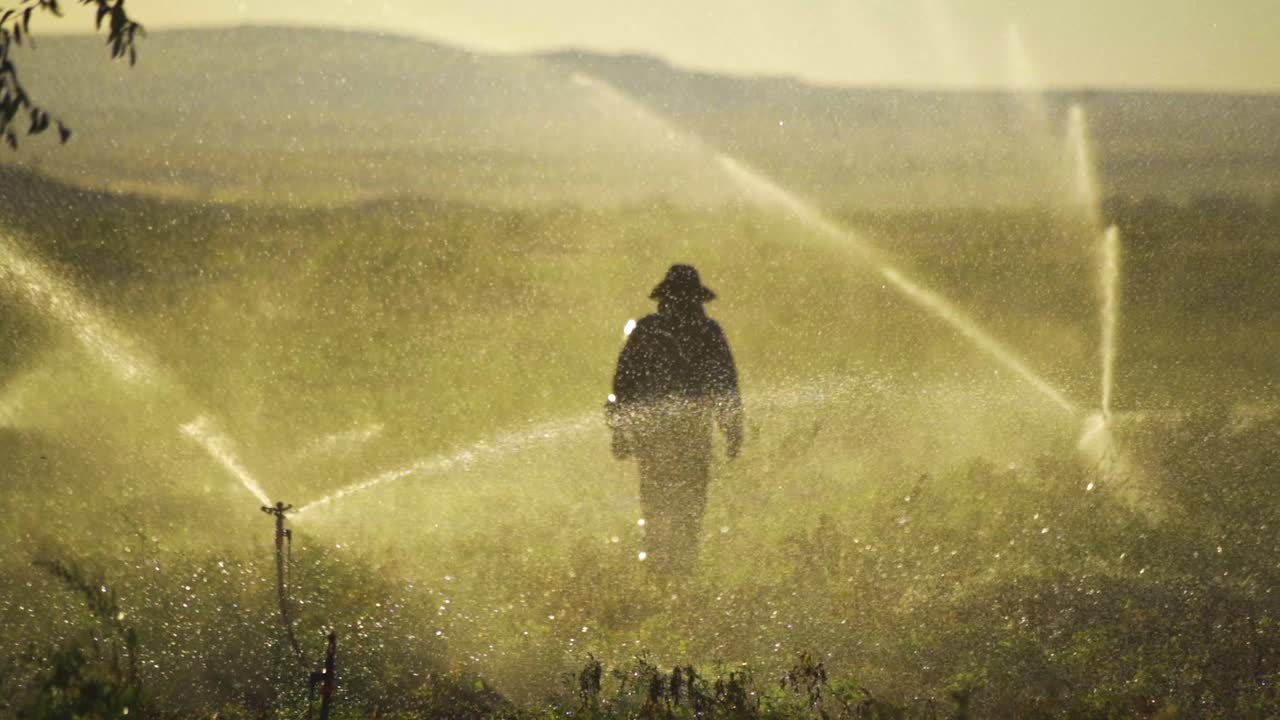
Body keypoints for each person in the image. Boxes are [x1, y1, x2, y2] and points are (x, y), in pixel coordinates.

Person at [607, 264, 743, 575]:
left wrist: (619, 431)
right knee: (682, 509)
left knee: (663, 507)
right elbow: (725, 384)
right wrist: (732, 429)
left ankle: (665, 572)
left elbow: (623, 386)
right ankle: (674, 572)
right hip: (680, 439)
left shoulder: (649, 330)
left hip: (659, 439)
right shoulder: (706, 332)